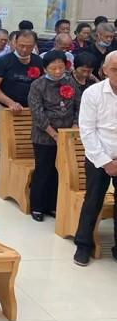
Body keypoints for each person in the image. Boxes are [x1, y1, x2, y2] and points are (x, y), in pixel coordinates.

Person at [73, 51, 117, 266]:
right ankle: (83, 245)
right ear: (105, 70)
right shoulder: (93, 93)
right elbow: (87, 131)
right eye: (115, 69)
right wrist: (106, 161)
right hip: (98, 156)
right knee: (93, 200)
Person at [27, 51, 80, 222]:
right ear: (45, 68)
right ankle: (37, 206)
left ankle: (52, 205)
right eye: (53, 68)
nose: (57, 71)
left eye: (61, 68)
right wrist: (54, 135)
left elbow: (79, 105)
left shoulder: (70, 81)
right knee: (44, 170)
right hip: (44, 136)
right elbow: (37, 113)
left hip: (67, 135)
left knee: (59, 171)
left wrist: (74, 126)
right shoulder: (38, 85)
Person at [0, 31, 43, 187]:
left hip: (29, 110)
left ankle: (20, 176)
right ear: (14, 43)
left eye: (29, 47)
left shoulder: (38, 62)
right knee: (0, 141)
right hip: (5, 108)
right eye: (21, 46)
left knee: (25, 142)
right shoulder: (4, 61)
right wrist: (10, 102)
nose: (24, 50)